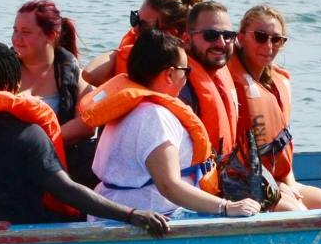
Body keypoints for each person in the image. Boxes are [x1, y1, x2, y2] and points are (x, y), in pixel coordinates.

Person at [0, 43, 169, 235]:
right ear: (13, 86)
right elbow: (65, 190)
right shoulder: (27, 134)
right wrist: (131, 214)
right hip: (20, 234)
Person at [82, 28, 261, 220]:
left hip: (118, 213)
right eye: (186, 71)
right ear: (170, 74)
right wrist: (225, 207)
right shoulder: (155, 118)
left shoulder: (130, 109)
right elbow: (169, 185)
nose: (186, 78)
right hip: (154, 218)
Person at [229, 4, 321, 211]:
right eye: (260, 36)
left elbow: (281, 145)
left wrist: (289, 183)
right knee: (296, 213)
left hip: (278, 179)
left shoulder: (277, 81)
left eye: (276, 39)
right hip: (247, 184)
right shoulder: (229, 82)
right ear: (240, 37)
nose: (268, 45)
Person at [11, 0, 94, 178]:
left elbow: (87, 124)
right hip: (9, 163)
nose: (17, 39)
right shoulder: (2, 69)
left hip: (54, 166)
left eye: (25, 32)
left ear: (51, 35)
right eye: (15, 30)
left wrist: (41, 140)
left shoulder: (73, 74)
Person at [177, 0, 242, 189]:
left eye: (228, 35)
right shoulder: (180, 89)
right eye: (211, 35)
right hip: (192, 194)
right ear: (187, 40)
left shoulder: (221, 77)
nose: (221, 43)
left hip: (224, 181)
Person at [81, 0, 204, 87]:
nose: (135, 29)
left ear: (173, 33)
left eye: (144, 26)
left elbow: (91, 74)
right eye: (135, 19)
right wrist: (119, 53)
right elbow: (89, 74)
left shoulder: (179, 75)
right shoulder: (133, 53)